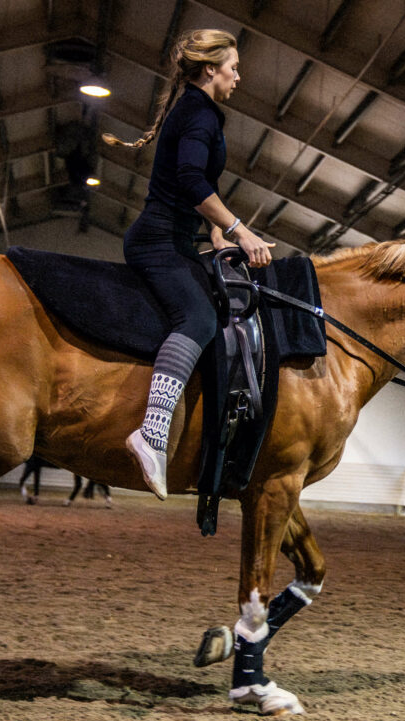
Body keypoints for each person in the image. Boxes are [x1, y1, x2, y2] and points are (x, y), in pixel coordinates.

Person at [103, 29, 273, 501]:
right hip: (157, 243)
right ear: (209, 69)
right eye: (233, 67)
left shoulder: (199, 112)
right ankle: (152, 432)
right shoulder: (199, 114)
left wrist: (215, 233)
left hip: (179, 238)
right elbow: (190, 179)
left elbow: (192, 191)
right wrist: (241, 229)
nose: (239, 76)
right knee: (197, 317)